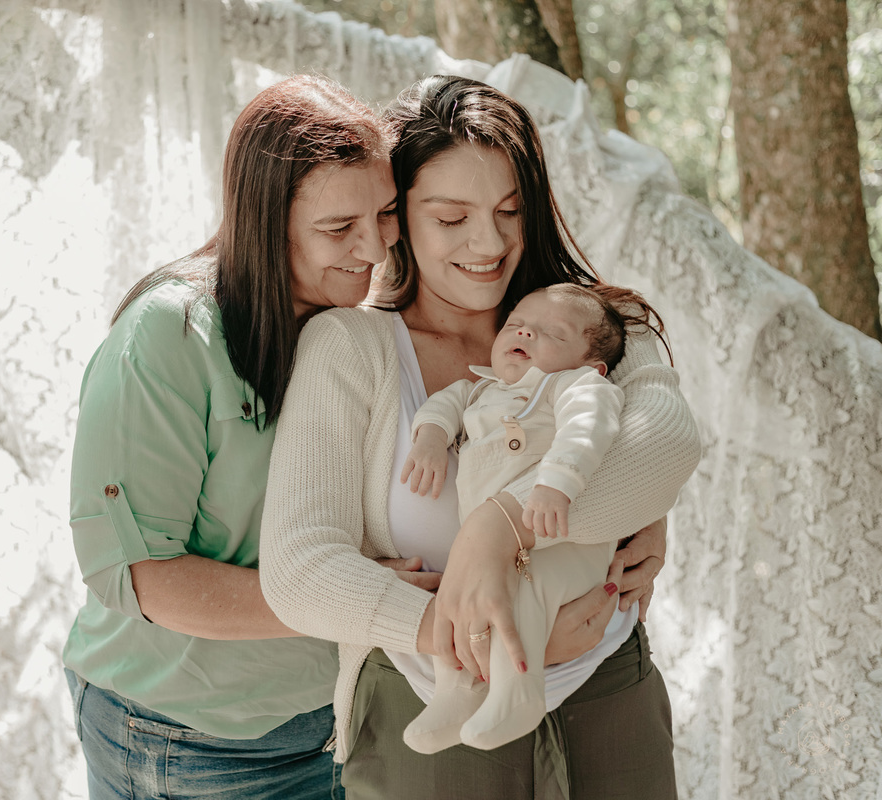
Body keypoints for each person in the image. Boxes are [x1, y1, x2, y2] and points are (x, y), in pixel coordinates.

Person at [260, 74, 702, 799]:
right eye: (450, 216)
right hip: (430, 697)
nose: (488, 242)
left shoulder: (590, 322)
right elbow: (298, 568)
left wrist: (496, 532)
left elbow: (667, 446)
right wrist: (478, 639)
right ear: (397, 216)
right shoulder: (351, 347)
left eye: (509, 210)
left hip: (607, 686)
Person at [61, 73, 405, 800]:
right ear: (263, 218)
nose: (374, 248)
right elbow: (145, 577)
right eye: (339, 228)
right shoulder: (171, 334)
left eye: (387, 213)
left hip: (328, 723)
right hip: (184, 736)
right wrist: (356, 599)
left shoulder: (355, 328)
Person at [400, 283, 671, 754]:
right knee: (462, 597)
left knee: (527, 592)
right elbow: (444, 404)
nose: (525, 330)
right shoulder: (481, 389)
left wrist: (556, 483)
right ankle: (454, 693)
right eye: (516, 323)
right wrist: (429, 438)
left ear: (592, 364)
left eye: (552, 332)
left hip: (568, 541)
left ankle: (518, 693)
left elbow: (591, 426)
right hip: (500, 551)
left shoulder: (574, 386)